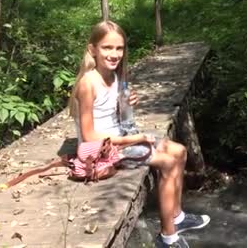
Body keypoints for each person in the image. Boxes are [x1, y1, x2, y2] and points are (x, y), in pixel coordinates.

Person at [68, 20, 210, 247]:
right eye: (107, 48)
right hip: (104, 149)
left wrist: (126, 103)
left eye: (119, 48)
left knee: (180, 151)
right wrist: (134, 139)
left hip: (119, 138)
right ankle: (168, 237)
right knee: (167, 162)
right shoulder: (88, 83)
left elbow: (113, 114)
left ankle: (178, 216)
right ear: (92, 49)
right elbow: (89, 136)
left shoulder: (114, 76)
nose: (114, 54)